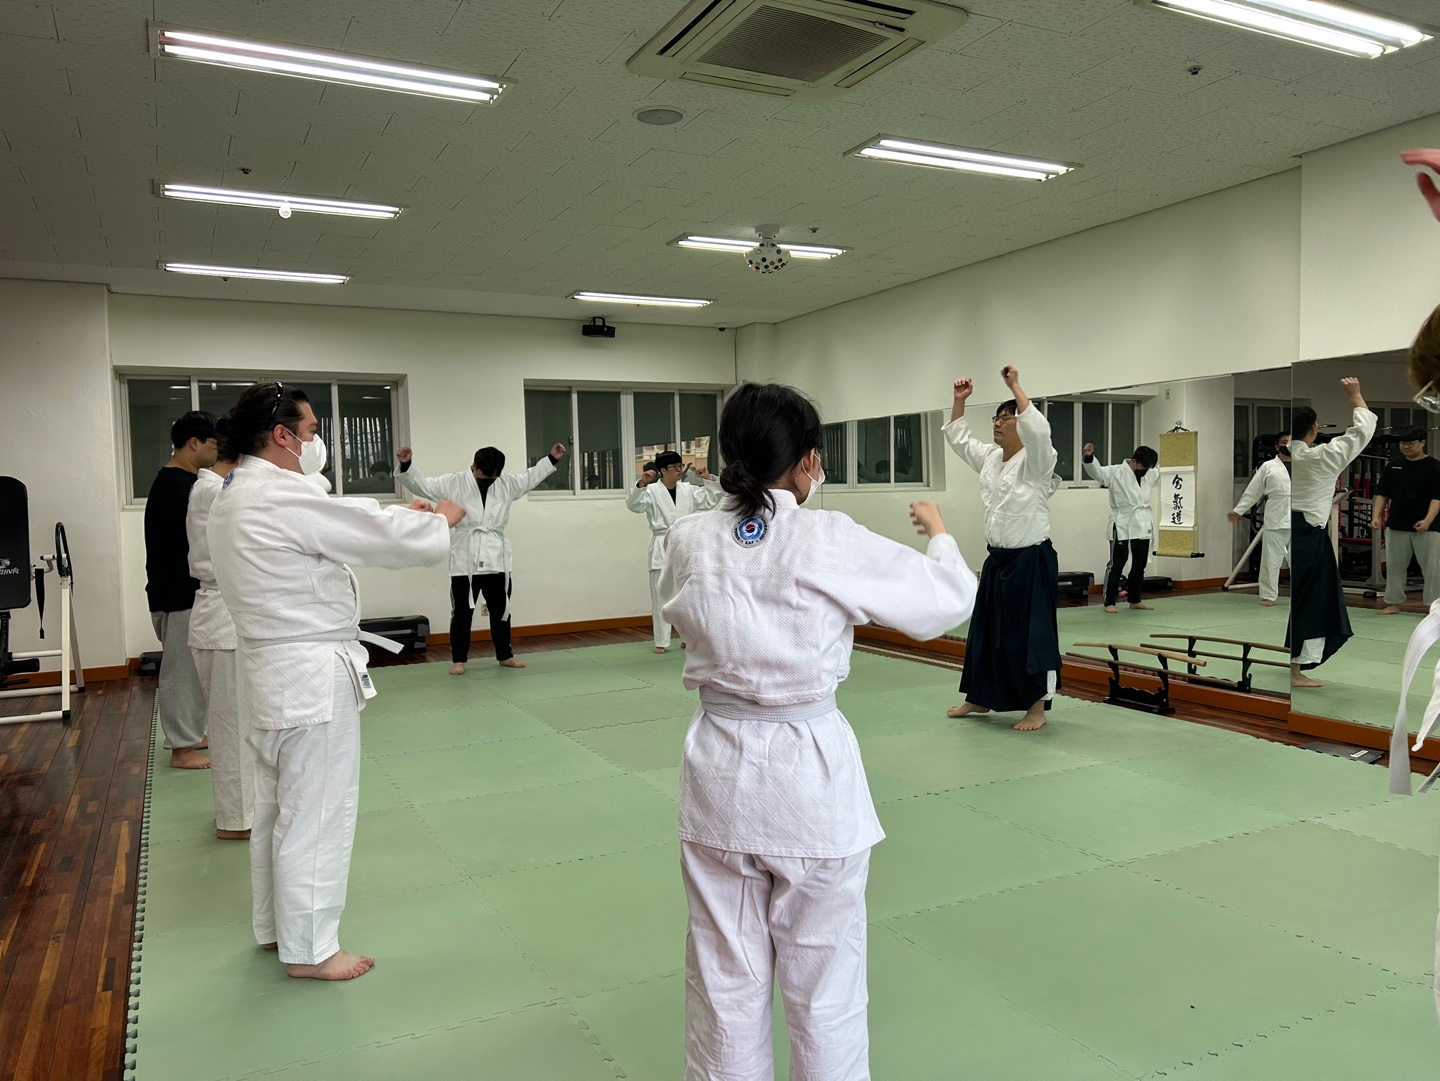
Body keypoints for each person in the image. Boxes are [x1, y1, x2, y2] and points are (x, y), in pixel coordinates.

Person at [658, 381, 977, 1081]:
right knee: (824, 989)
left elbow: (679, 609)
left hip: (718, 776)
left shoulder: (688, 539)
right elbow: (945, 602)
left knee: (722, 983)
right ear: (807, 460)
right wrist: (941, 534)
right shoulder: (828, 537)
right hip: (810, 779)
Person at [209, 383, 462, 981]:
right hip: (309, 676)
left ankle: (278, 930)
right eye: (311, 431)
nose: (316, 442)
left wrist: (405, 518)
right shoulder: (278, 494)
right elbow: (372, 531)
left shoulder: (234, 495)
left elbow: (341, 524)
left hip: (270, 672)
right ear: (282, 436)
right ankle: (312, 950)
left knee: (277, 809)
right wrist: (439, 520)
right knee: (317, 813)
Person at [943, 367, 1062, 731]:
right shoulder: (992, 458)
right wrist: (959, 401)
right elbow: (960, 439)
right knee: (985, 632)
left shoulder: (1037, 461)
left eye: (1005, 418)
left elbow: (1040, 431)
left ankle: (1037, 708)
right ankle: (980, 697)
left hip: (1031, 559)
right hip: (998, 559)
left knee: (1033, 636)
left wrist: (1016, 387)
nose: (997, 423)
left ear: (1021, 424)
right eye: (996, 418)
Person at [395, 441, 566, 673]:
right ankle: (459, 660)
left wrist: (552, 459)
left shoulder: (506, 483)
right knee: (462, 613)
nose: (490, 481)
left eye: (494, 477)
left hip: (497, 557)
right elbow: (423, 486)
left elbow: (530, 478)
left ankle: (505, 655)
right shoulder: (454, 482)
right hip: (466, 557)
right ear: (474, 467)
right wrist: (407, 465)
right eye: (486, 476)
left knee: (501, 610)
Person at [1287, 377, 1376, 688]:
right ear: (1313, 429)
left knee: (1301, 598)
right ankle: (1295, 671)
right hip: (1309, 535)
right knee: (1311, 599)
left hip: (1287, 531)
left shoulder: (1281, 459)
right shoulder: (1320, 457)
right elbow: (1362, 432)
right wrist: (1355, 395)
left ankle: (1293, 663)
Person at [186, 435, 252, 838]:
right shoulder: (217, 491)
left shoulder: (212, 487)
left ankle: (242, 813)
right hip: (221, 618)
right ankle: (235, 821)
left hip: (222, 616)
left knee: (240, 724)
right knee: (231, 727)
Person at [145, 410, 219, 770]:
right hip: (177, 594)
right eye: (214, 444)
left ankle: (190, 735)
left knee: (196, 670)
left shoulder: (185, 482)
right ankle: (181, 749)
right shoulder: (176, 486)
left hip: (184, 592)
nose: (217, 451)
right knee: (182, 673)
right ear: (194, 443)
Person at [626, 449, 724, 653]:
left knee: (687, 596)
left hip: (684, 543)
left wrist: (707, 479)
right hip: (661, 544)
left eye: (681, 466)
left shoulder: (688, 490)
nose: (680, 470)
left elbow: (710, 499)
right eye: (675, 467)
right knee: (661, 597)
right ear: (663, 470)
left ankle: (688, 637)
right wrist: (642, 484)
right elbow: (634, 505)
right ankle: (661, 641)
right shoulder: (651, 491)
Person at [1083, 442, 1159, 613]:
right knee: (1117, 563)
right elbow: (1097, 472)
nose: (1145, 471)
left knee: (1139, 564)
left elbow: (1166, 471)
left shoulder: (1149, 473)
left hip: (1142, 522)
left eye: (1148, 468)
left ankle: (1135, 599)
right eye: (1143, 467)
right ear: (1134, 461)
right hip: (1122, 522)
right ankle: (1109, 602)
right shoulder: (1115, 472)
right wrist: (1089, 457)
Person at [1373, 426, 1440, 613]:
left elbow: (1437, 498)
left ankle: (1435, 607)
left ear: (1422, 443)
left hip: (1428, 527)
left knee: (1432, 569)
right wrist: (1376, 516)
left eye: (1411, 443)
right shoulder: (1393, 466)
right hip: (1397, 524)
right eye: (1403, 443)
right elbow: (1382, 493)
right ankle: (1393, 603)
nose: (1406, 447)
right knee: (1395, 566)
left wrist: (1427, 520)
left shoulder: (1435, 467)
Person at [1228, 433, 1292, 606]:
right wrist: (1239, 510)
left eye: (1291, 442)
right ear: (1277, 446)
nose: (1288, 445)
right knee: (1271, 560)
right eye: (1284, 442)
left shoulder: (1305, 465)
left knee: (1302, 561)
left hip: (1301, 516)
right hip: (1276, 516)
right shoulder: (1268, 466)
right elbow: (1254, 490)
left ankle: (1304, 596)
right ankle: (1269, 595)